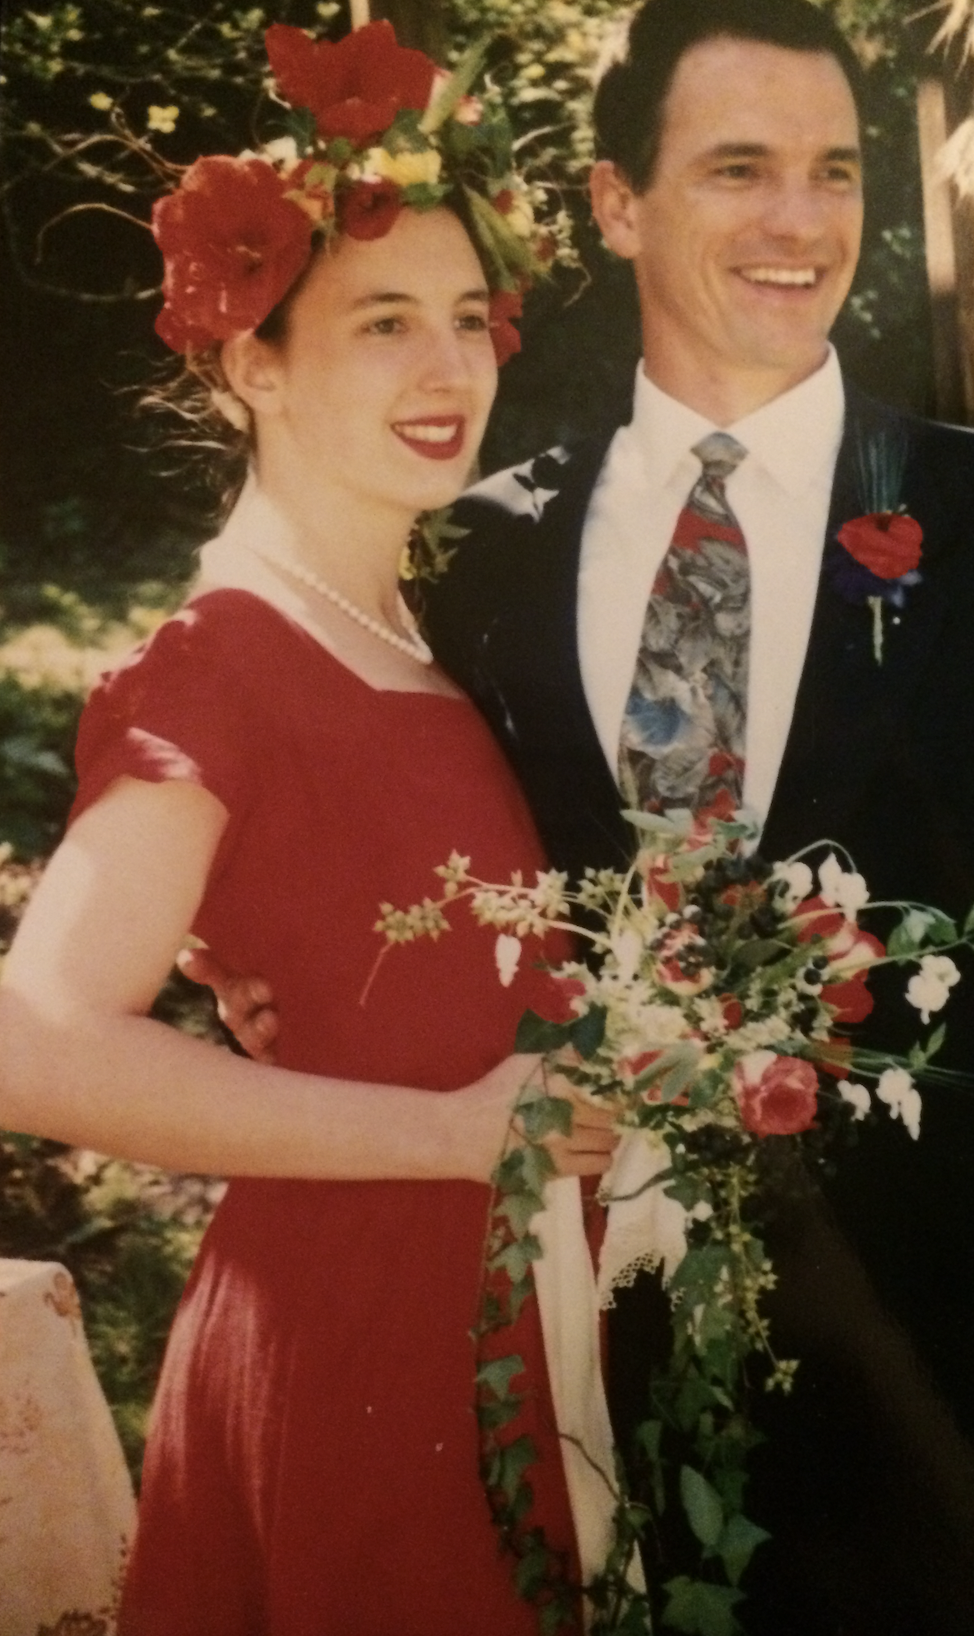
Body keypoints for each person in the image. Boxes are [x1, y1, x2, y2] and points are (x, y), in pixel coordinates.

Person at [204, 3, 974, 1633]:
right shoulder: (475, 552)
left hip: (956, 1388)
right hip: (570, 1365)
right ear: (616, 201)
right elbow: (378, 827)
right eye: (738, 168)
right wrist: (257, 973)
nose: (799, 223)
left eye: (832, 172)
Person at [0, 24, 616, 1636]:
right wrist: (450, 1136)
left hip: (503, 1335)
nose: (449, 371)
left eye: (471, 322)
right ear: (253, 361)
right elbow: (40, 1045)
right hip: (356, 1346)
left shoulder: (431, 632)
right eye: (384, 323)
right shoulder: (217, 665)